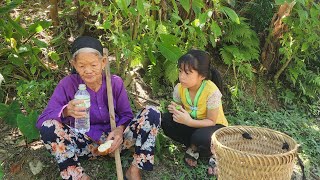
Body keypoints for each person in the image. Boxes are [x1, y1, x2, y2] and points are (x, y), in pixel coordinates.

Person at [36, 36, 161, 180]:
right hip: (86, 145)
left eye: (93, 65)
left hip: (117, 142)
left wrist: (119, 131)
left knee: (152, 112)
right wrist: (65, 111)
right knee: (48, 127)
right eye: (82, 66)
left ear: (103, 62)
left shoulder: (115, 83)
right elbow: (41, 121)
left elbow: (126, 115)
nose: (88, 70)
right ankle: (79, 177)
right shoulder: (67, 84)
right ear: (74, 65)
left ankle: (134, 170)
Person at [161, 49, 228, 176]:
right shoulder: (179, 88)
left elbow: (211, 121)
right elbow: (179, 109)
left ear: (202, 76)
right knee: (167, 120)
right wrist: (175, 109)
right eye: (180, 71)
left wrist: (188, 121)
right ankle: (194, 145)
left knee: (201, 137)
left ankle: (213, 153)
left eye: (187, 73)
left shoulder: (211, 91)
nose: (181, 77)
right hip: (193, 124)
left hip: (214, 127)